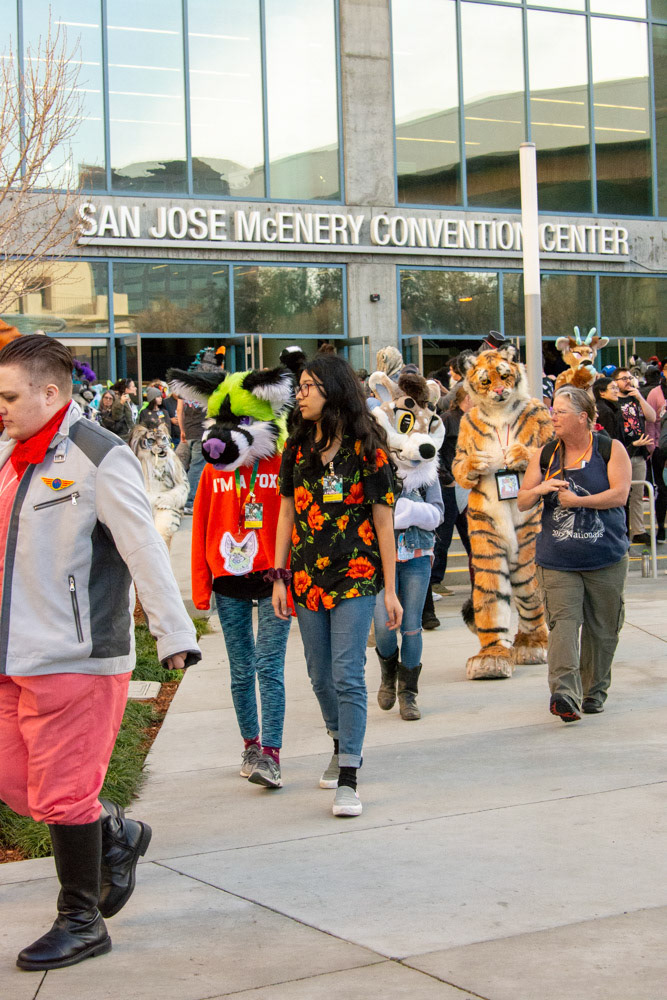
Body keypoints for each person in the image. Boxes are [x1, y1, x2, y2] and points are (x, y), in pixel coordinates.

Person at [0, 336, 200, 972]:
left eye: (9, 396)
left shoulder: (99, 454)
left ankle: (81, 920)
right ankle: (114, 831)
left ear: (49, 393)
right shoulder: (7, 453)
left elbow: (142, 546)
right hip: (12, 653)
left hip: (76, 655)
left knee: (61, 794)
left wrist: (174, 633)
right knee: (19, 785)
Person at [272, 354, 401, 818]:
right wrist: (279, 576)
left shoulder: (368, 449)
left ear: (333, 390)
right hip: (306, 577)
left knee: (347, 673)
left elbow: (384, 524)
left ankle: (349, 774)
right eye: (299, 387)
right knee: (318, 673)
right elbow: (286, 514)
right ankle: (338, 739)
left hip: (356, 576)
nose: (300, 394)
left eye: (308, 386)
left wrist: (390, 590)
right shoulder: (296, 447)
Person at [518, 386, 631, 723]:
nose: (553, 417)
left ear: (583, 417)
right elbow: (522, 500)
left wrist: (580, 501)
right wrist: (541, 489)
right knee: (564, 626)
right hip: (557, 561)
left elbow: (620, 495)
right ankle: (564, 694)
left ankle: (593, 692)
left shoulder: (611, 450)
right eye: (553, 411)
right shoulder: (546, 454)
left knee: (603, 630)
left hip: (606, 558)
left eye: (560, 412)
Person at [427, 384, 473, 617]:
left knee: (471, 535)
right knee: (443, 535)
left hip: (467, 484)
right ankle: (435, 579)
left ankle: (479, 578)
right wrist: (446, 478)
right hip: (450, 484)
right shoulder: (447, 419)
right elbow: (435, 450)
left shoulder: (474, 420)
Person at [613, 367, 655, 543]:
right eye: (623, 378)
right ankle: (621, 530)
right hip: (622, 452)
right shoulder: (613, 401)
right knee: (622, 494)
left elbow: (652, 417)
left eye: (630, 378)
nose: (628, 381)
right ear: (615, 382)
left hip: (639, 452)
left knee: (638, 493)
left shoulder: (636, 399)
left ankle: (638, 530)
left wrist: (639, 397)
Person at [178, 396, 206, 515]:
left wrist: (182, 430)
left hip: (189, 432)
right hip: (201, 432)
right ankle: (189, 501)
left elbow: (179, 410)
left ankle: (185, 498)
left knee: (188, 467)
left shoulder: (183, 390)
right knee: (197, 468)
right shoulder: (204, 388)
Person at [592, 377, 625, 443]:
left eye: (617, 388)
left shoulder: (606, 407)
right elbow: (609, 438)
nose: (616, 391)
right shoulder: (605, 411)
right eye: (613, 388)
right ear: (601, 392)